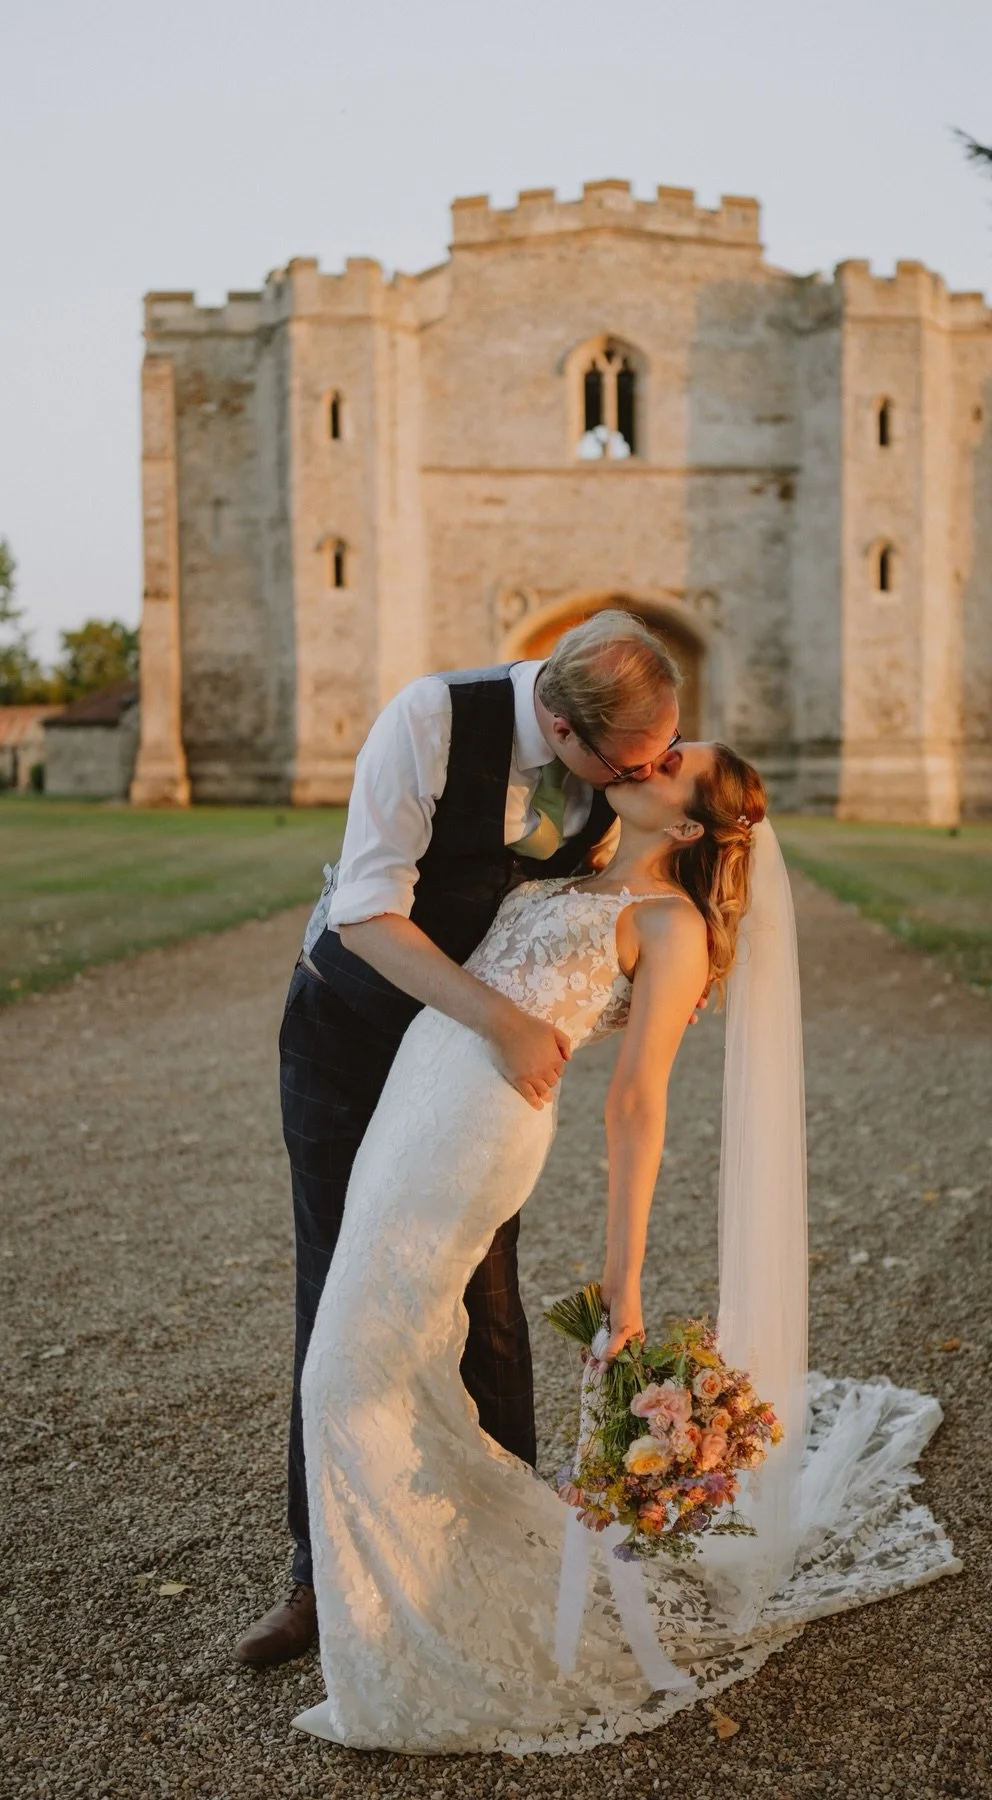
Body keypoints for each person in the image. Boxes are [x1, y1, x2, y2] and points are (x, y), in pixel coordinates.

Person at [290, 745, 960, 1754]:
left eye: (670, 764)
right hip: (414, 1096)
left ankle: (406, 1645)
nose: (647, 758)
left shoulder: (671, 925)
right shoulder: (576, 863)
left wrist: (624, 1277)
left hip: (474, 1132)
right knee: (390, 1356)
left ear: (686, 826)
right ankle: (410, 1601)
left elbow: (638, 1105)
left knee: (342, 1372)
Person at [235, 612, 684, 1667]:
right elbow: (364, 914)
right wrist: (503, 1020)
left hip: (464, 1069)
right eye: (635, 765)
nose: (649, 776)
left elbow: (571, 909)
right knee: (340, 1283)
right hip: (352, 1033)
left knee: (487, 1289)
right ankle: (320, 1576)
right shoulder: (429, 720)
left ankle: (505, 1552)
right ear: (563, 728)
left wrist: (655, 978)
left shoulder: (605, 772)